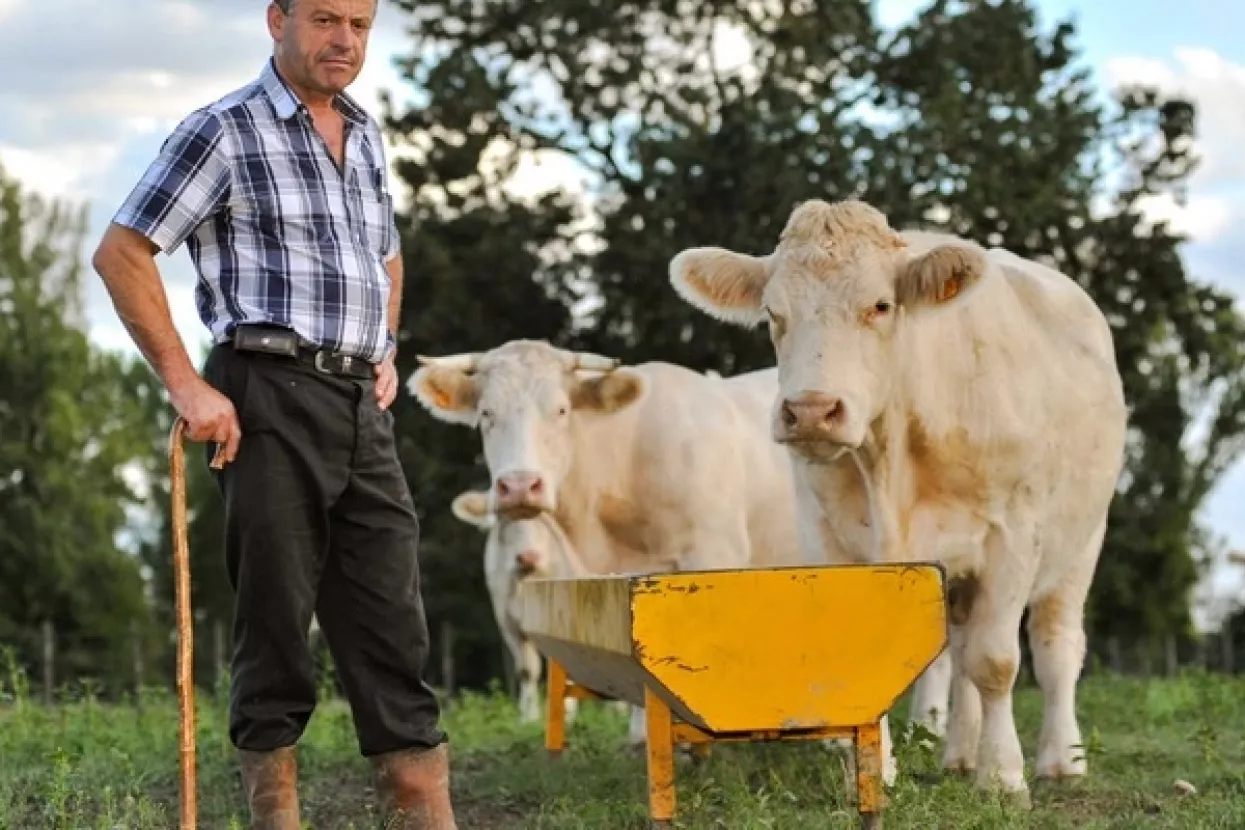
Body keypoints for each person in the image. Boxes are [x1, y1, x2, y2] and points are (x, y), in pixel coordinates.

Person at [90, 1, 457, 828]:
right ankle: (273, 813)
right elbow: (122, 251)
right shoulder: (223, 128)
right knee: (278, 621)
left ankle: (422, 806)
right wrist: (186, 383)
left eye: (360, 24)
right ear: (276, 19)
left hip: (362, 405)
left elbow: (385, 253)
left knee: (393, 624)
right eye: (325, 19)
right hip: (266, 395)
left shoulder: (365, 135)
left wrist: (386, 346)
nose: (345, 40)